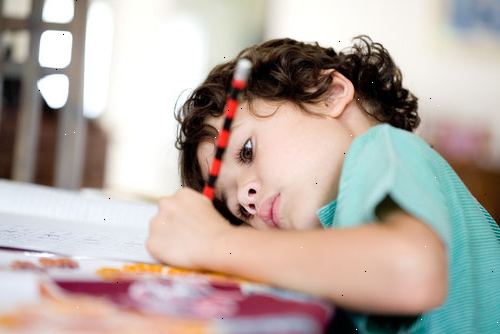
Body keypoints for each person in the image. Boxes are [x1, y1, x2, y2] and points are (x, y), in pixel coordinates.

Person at [146, 36, 500, 333]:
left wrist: (218, 241)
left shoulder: (382, 149)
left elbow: (411, 270)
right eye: (235, 209)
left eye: (248, 151)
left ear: (329, 93)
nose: (245, 197)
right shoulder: (338, 234)